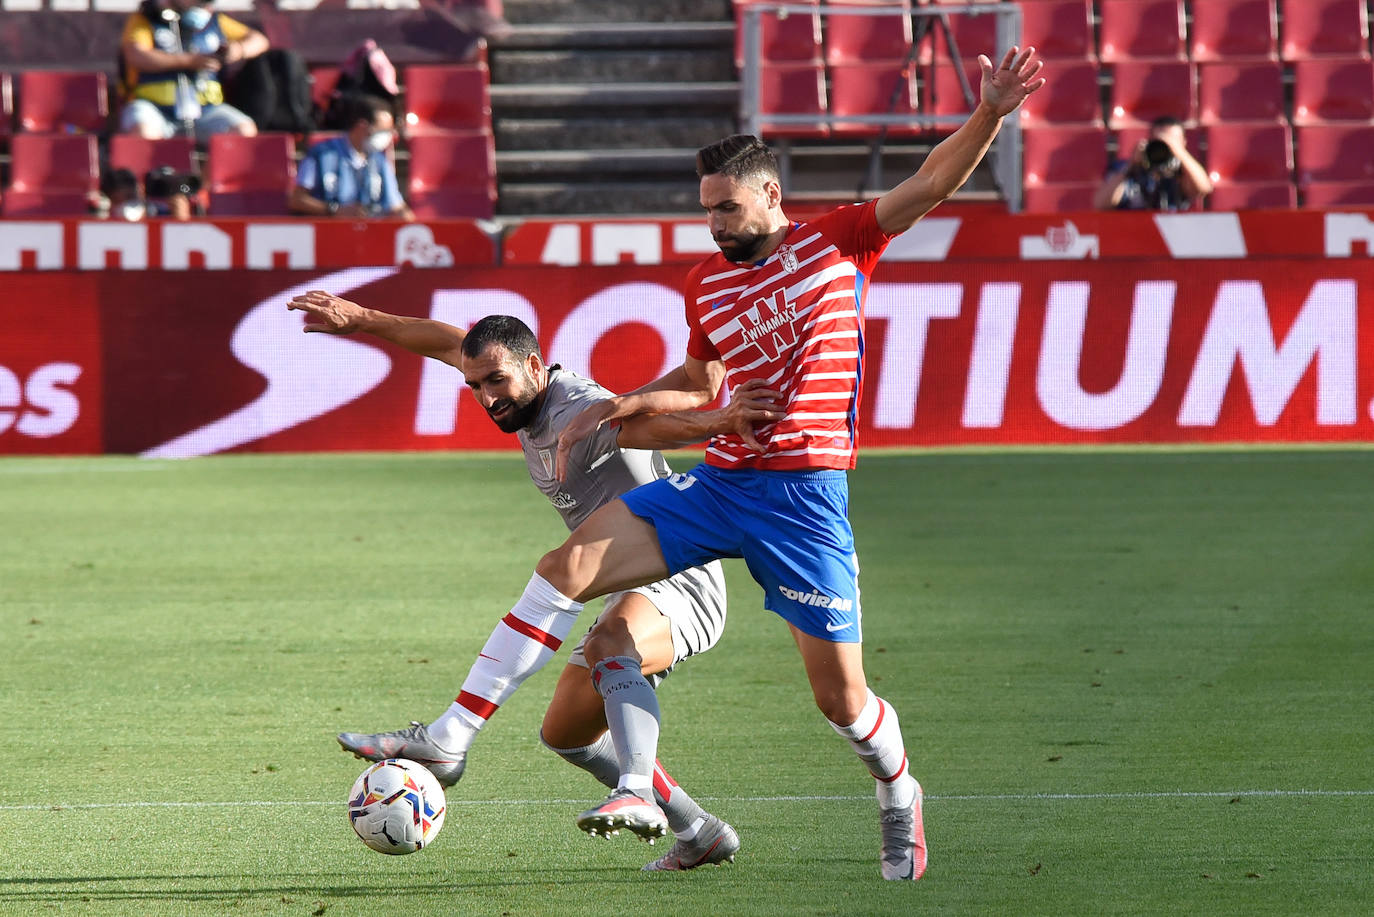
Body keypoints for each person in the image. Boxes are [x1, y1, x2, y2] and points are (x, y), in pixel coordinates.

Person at [438, 46, 1044, 882]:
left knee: (842, 701)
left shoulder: (841, 240)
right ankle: (455, 734)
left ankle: (898, 788)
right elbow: (701, 384)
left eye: (727, 207)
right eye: (707, 212)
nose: (716, 225)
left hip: (805, 499)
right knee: (565, 566)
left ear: (770, 195)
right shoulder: (705, 284)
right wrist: (624, 404)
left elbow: (932, 182)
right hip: (722, 482)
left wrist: (990, 113)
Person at [285, 295, 774, 870]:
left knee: (608, 642)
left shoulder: (576, 411)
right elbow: (443, 341)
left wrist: (721, 422)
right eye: (475, 386)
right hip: (625, 580)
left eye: (497, 381)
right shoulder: (516, 392)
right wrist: (365, 319)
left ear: (536, 366)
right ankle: (699, 831)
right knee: (567, 734)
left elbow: (651, 428)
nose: (488, 397)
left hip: (681, 575)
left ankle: (630, 787)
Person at [118, 0, 269, 141]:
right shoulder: (145, 20)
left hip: (205, 110)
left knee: (243, 130)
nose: (202, 4)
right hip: (154, 108)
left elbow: (259, 40)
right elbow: (136, 55)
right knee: (144, 132)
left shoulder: (214, 21)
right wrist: (190, 61)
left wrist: (237, 50)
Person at [289, 94, 414, 221]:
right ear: (362, 126)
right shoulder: (321, 154)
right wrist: (334, 210)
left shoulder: (380, 161)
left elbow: (397, 206)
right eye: (382, 132)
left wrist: (411, 223)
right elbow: (297, 200)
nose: (387, 138)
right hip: (329, 229)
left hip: (369, 230)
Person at [1093, 115, 1212, 212]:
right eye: (1158, 141)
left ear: (1183, 143)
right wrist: (1131, 166)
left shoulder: (1182, 171)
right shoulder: (1125, 167)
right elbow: (1101, 204)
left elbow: (1203, 188)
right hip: (1132, 230)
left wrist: (1177, 150)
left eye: (1172, 140)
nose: (1165, 146)